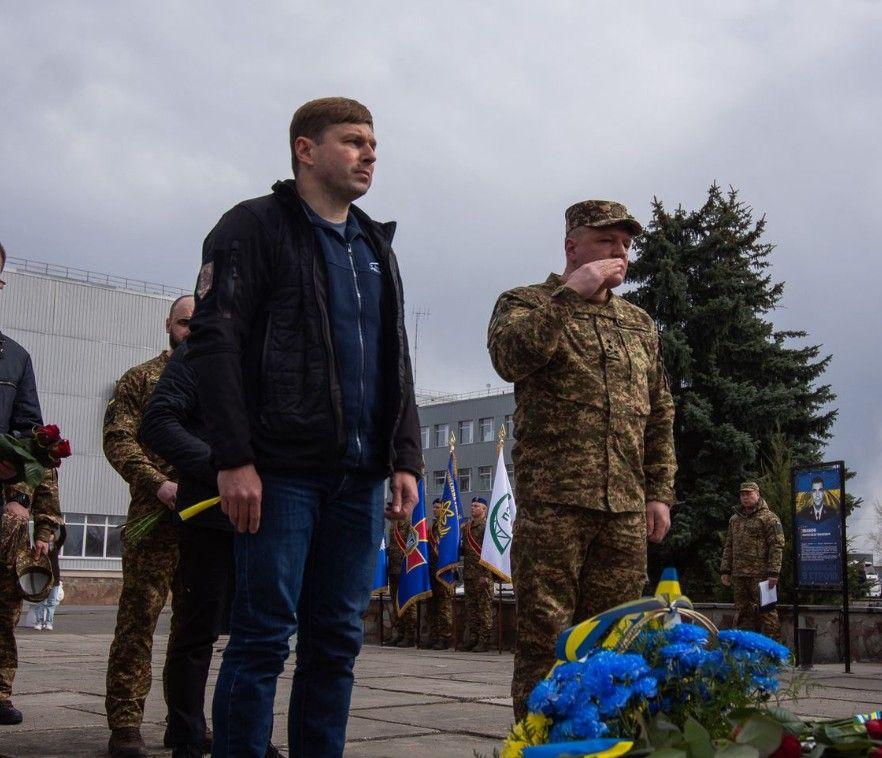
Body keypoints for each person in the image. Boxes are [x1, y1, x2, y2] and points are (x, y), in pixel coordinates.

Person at [185, 97, 421, 758]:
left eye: (373, 141)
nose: (369, 152)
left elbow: (394, 357)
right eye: (352, 140)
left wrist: (405, 457)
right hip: (279, 471)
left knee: (339, 637)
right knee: (263, 634)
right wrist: (232, 456)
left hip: (358, 476)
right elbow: (216, 343)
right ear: (305, 149)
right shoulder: (253, 227)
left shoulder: (375, 243)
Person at [487, 200, 677, 720]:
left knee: (616, 636)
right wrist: (568, 296)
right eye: (606, 241)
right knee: (546, 636)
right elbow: (511, 358)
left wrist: (659, 492)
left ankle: (607, 740)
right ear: (572, 245)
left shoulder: (638, 323)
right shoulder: (526, 302)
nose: (619, 252)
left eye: (626, 244)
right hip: (555, 503)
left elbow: (659, 410)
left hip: (623, 507)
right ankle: (538, 740)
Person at [139, 341, 281, 758]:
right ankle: (186, 734)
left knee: (262, 634)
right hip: (211, 512)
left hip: (267, 517)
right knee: (197, 629)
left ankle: (251, 734)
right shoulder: (199, 350)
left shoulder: (279, 341)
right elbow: (158, 423)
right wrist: (223, 465)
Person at [103, 295, 194, 758]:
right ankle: (125, 723)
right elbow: (118, 439)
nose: (190, 332)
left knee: (193, 631)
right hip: (153, 521)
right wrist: (158, 484)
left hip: (203, 526)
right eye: (183, 323)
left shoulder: (220, 383)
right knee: (138, 622)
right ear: (167, 325)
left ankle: (184, 725)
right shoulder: (141, 379)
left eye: (198, 324)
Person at [0, 241, 63, 725]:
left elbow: (31, 435)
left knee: (2, 602)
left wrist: (22, 494)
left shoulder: (15, 358)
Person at [720, 481, 784, 640]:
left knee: (768, 611)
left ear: (757, 494)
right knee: (742, 613)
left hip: (762, 576)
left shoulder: (769, 518)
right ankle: (745, 651)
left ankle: (774, 652)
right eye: (742, 494)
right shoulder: (735, 519)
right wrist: (725, 570)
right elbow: (729, 546)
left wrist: (773, 572)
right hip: (739, 575)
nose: (745, 497)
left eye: (749, 493)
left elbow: (777, 545)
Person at [460, 497, 494, 652]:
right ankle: (473, 638)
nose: (472, 508)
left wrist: (486, 574)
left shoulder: (488, 526)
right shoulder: (466, 527)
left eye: (476, 506)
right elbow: (463, 549)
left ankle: (484, 640)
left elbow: (490, 553)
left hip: (482, 575)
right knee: (471, 608)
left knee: (484, 609)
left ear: (484, 509)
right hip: (468, 574)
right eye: (472, 505)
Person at [426, 497, 454, 650]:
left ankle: (445, 637)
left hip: (444, 571)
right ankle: (434, 635)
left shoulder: (449, 526)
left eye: (439, 507)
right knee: (433, 605)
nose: (436, 510)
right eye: (434, 507)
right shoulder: (432, 527)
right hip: (432, 570)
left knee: (444, 606)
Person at [385, 518, 416, 647]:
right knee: (395, 602)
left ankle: (410, 636)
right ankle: (400, 633)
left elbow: (413, 547)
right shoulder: (393, 525)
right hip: (393, 569)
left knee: (407, 604)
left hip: (405, 569)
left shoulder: (410, 525)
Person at [33, 546, 62, 630]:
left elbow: (62, 535)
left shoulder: (55, 547)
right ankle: (39, 622)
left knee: (51, 602)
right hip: (42, 578)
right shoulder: (39, 548)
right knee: (40, 602)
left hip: (54, 578)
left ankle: (49, 623)